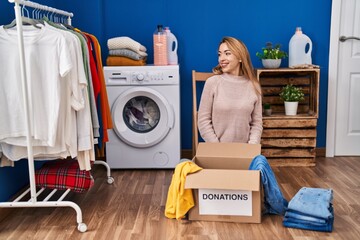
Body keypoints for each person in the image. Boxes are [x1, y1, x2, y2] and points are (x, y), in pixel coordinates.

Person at [198, 36, 263, 144]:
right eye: (219, 54)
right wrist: (217, 147)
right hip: (217, 151)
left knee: (261, 161)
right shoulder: (212, 83)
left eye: (227, 53)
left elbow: (256, 123)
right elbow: (203, 121)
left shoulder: (253, 86)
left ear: (240, 57)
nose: (221, 59)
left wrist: (252, 146)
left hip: (245, 151)